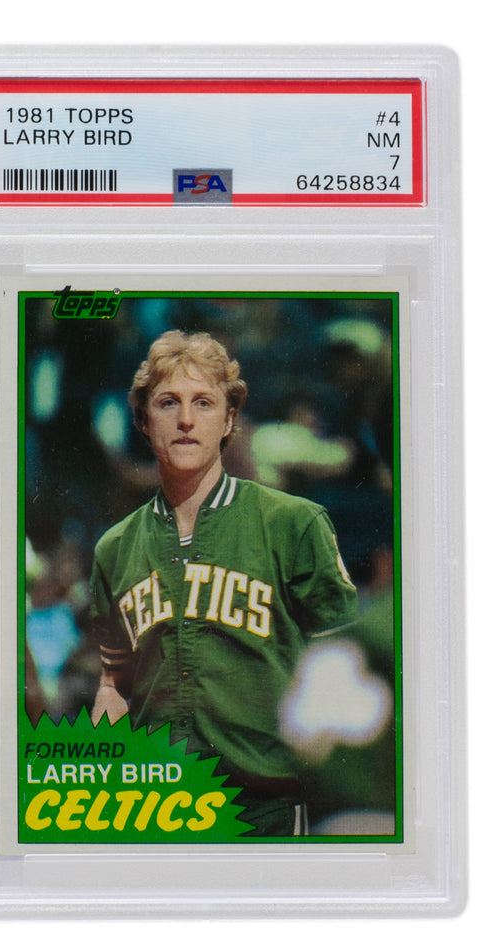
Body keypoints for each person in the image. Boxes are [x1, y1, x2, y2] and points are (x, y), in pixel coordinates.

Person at [90, 330, 358, 836]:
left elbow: (343, 667)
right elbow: (113, 686)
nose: (186, 420)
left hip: (263, 806)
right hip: (155, 810)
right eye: (167, 403)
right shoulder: (115, 547)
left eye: (204, 403)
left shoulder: (294, 523)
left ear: (230, 419)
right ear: (144, 422)